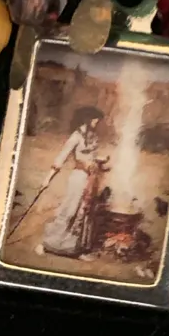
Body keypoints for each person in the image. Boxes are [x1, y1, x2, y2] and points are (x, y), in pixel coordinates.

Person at [37, 106, 109, 259]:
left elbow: (91, 157)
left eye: (98, 119)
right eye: (95, 119)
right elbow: (62, 157)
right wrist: (47, 179)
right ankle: (47, 244)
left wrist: (101, 162)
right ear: (87, 119)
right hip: (78, 178)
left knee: (83, 213)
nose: (97, 122)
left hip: (91, 179)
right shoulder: (76, 136)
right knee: (69, 211)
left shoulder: (93, 136)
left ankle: (74, 249)